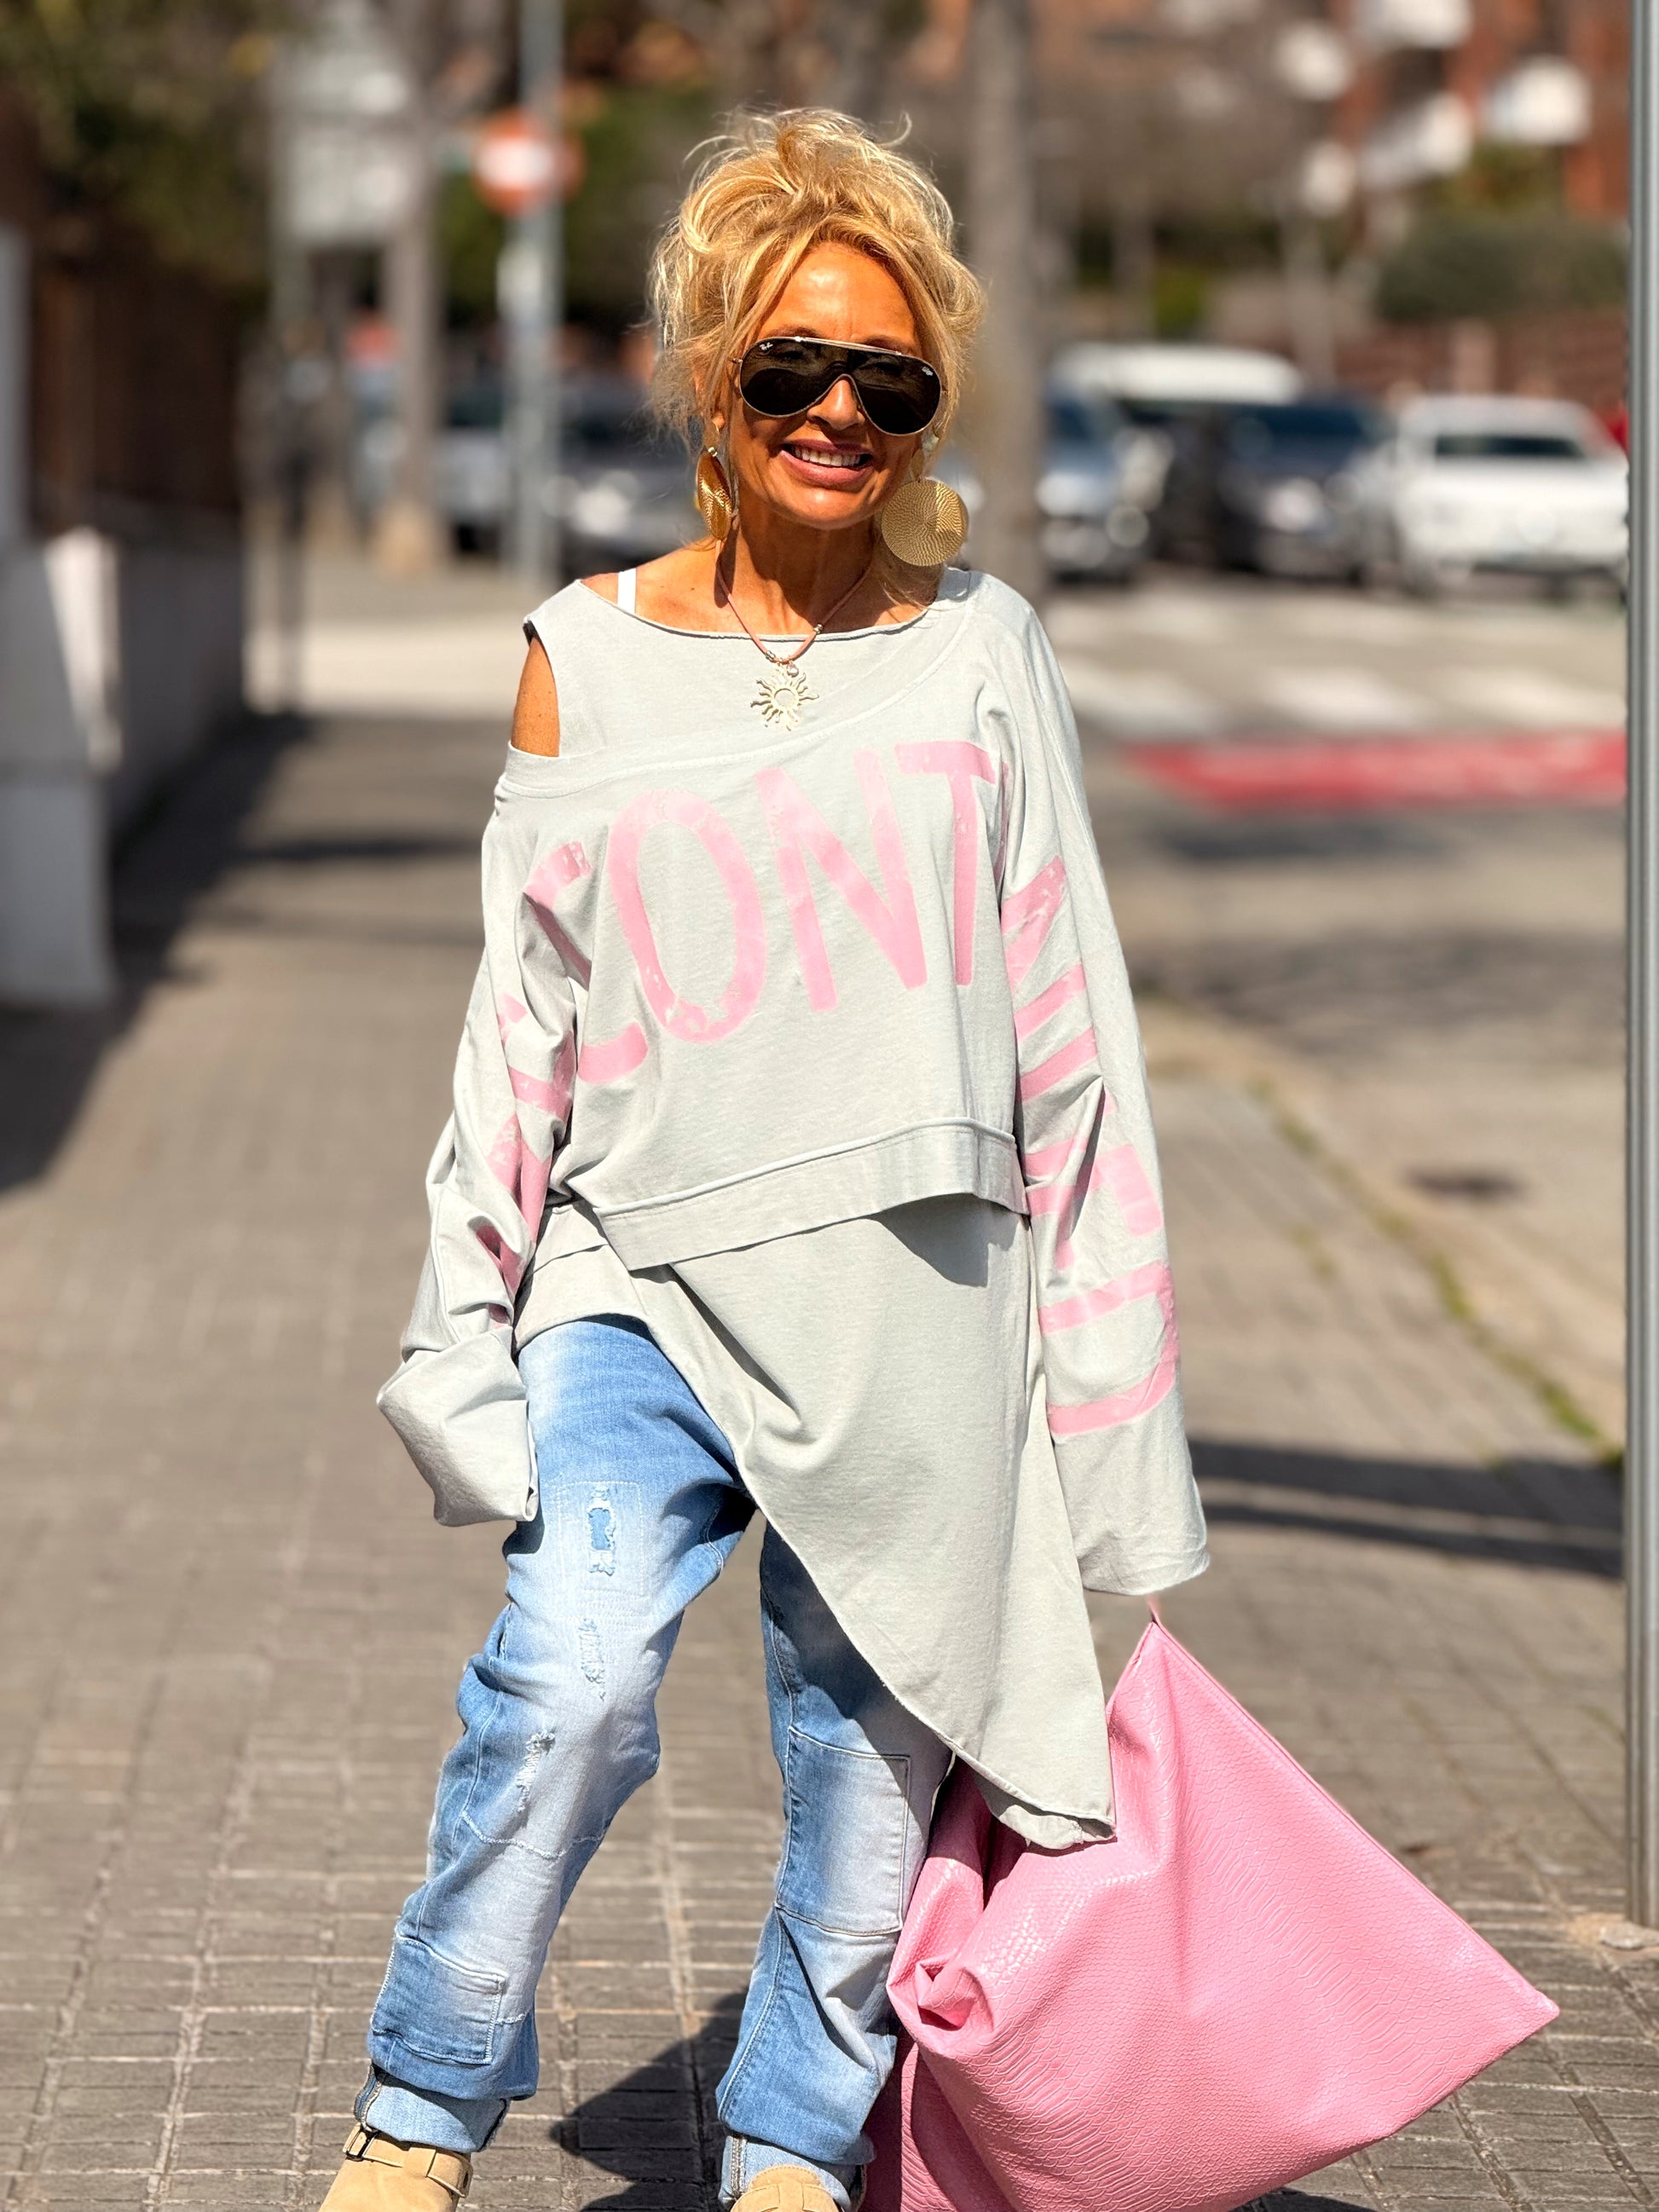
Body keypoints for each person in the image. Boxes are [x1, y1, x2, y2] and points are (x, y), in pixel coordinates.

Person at [321, 108, 1207, 2212]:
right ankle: (419, 2109)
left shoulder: (979, 651)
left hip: (920, 1293)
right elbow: (518, 1034)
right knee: (568, 1676)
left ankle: (797, 2141)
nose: (837, 413)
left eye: (887, 380)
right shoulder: (584, 656)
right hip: (639, 1269)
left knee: (873, 1750)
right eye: (791, 366)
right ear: (710, 382)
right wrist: (461, 1330)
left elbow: (1071, 1037)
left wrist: (1108, 1410)